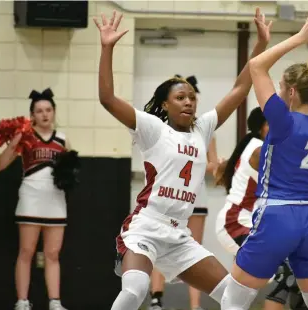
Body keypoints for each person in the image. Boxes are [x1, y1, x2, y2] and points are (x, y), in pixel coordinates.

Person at [93, 8, 272, 310]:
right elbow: (107, 99)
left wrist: (260, 46)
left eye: (191, 96)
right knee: (135, 289)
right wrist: (107, 48)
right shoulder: (153, 128)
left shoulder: (202, 129)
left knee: (235, 295)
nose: (188, 101)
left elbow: (241, 88)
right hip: (147, 227)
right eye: (180, 97)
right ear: (165, 104)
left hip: (178, 234)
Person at [220, 8, 308, 310]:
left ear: (290, 92)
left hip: (276, 216)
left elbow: (256, 66)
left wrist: (302, 37)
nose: (276, 93)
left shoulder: (281, 120)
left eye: (280, 88)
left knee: (233, 302)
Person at [0, 89, 71, 310]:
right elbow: (0, 165)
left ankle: (55, 302)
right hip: (31, 197)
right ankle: (22, 301)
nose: (45, 114)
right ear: (32, 115)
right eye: (39, 111)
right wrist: (16, 139)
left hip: (56, 200)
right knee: (26, 251)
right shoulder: (26, 137)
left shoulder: (63, 139)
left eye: (48, 110)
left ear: (54, 112)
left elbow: (71, 171)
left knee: (53, 253)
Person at [149, 136, 220, 310]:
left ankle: (195, 305)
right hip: (170, 195)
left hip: (196, 196)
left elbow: (214, 165)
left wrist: (197, 165)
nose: (188, 106)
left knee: (194, 249)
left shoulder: (207, 132)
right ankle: (156, 300)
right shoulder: (166, 130)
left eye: (192, 105)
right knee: (161, 244)